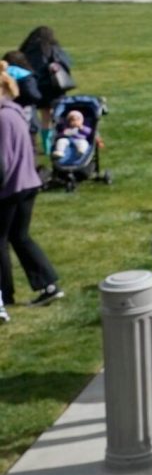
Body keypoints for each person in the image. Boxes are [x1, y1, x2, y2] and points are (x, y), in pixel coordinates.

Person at [0, 72, 60, 318]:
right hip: (27, 183)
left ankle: (4, 293)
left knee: (1, 240)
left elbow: (2, 161)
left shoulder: (3, 117)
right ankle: (49, 283)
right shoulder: (15, 112)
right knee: (20, 236)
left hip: (11, 188)